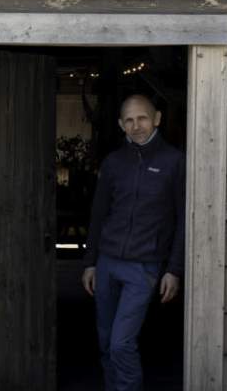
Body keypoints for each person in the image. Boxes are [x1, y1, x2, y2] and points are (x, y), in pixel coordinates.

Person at [81, 91, 185, 391]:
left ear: (157, 119)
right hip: (107, 264)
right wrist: (90, 263)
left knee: (121, 344)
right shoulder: (114, 163)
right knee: (104, 343)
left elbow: (182, 222)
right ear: (120, 124)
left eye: (142, 118)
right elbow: (98, 216)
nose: (136, 125)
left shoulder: (175, 162)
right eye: (129, 120)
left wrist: (174, 270)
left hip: (144, 268)